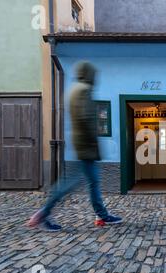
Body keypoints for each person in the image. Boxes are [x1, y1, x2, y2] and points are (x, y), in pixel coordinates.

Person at [28, 61, 122, 232]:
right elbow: (86, 119)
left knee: (92, 182)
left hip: (82, 145)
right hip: (86, 147)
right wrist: (94, 142)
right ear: (89, 74)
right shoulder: (83, 91)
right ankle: (44, 213)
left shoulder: (73, 90)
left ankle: (101, 214)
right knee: (71, 183)